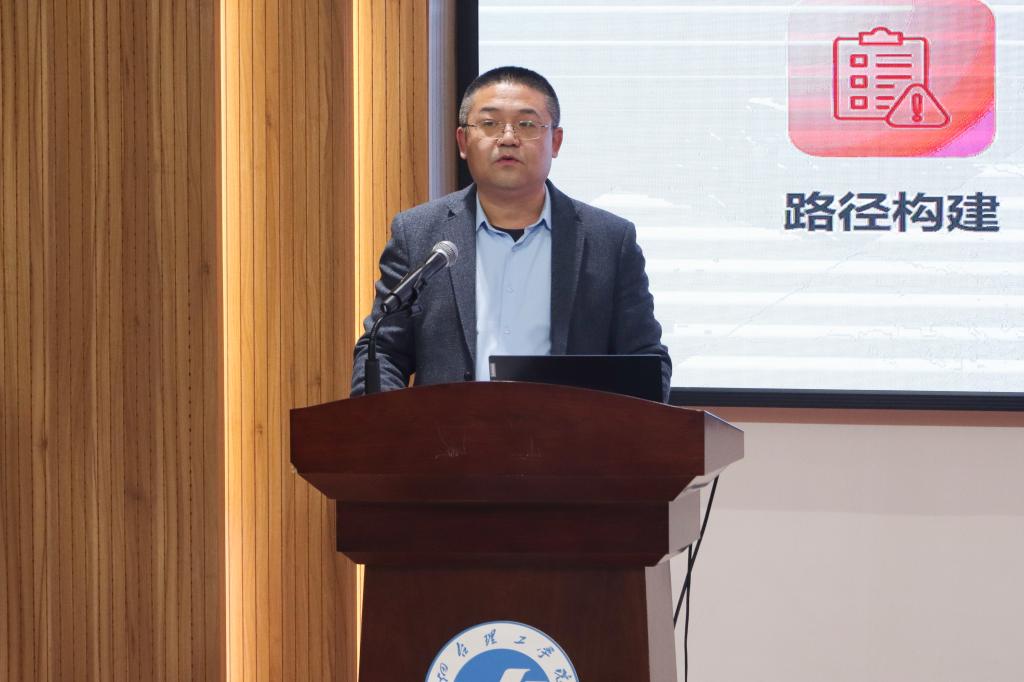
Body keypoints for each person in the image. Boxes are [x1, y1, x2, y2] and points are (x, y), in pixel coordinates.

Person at [351, 66, 671, 400]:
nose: (507, 138)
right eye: (489, 124)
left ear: (556, 141)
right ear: (463, 141)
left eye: (527, 125)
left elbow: (647, 361)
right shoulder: (418, 234)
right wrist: (390, 426)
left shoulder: (609, 241)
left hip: (568, 432)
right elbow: (382, 351)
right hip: (448, 433)